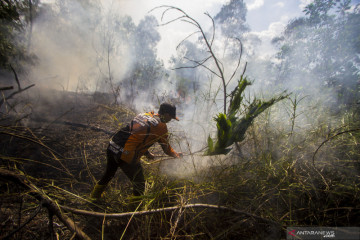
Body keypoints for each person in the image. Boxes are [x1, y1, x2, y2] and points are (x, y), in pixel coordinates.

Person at [90, 102, 182, 200]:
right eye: (171, 118)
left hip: (112, 146)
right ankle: (132, 212)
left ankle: (93, 198)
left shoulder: (144, 115)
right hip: (126, 154)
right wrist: (176, 155)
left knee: (109, 174)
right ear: (167, 114)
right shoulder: (161, 126)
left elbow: (135, 135)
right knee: (140, 184)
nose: (170, 120)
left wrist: (147, 153)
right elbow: (166, 149)